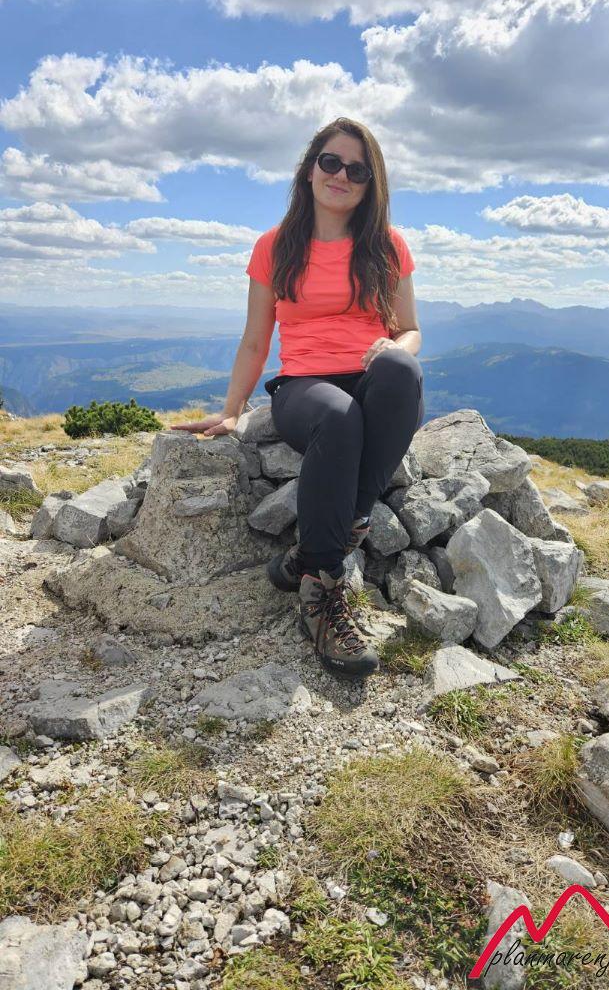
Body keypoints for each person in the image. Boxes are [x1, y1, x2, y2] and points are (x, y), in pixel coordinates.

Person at [172, 116, 425, 682]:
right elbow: (256, 339)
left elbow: (410, 330)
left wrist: (393, 347)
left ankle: (310, 559)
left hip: (371, 374)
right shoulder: (276, 246)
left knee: (402, 369)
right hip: (304, 386)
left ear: (371, 183)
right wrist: (233, 410)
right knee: (338, 417)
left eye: (357, 170)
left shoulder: (387, 245)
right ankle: (324, 586)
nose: (341, 176)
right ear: (310, 169)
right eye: (331, 162)